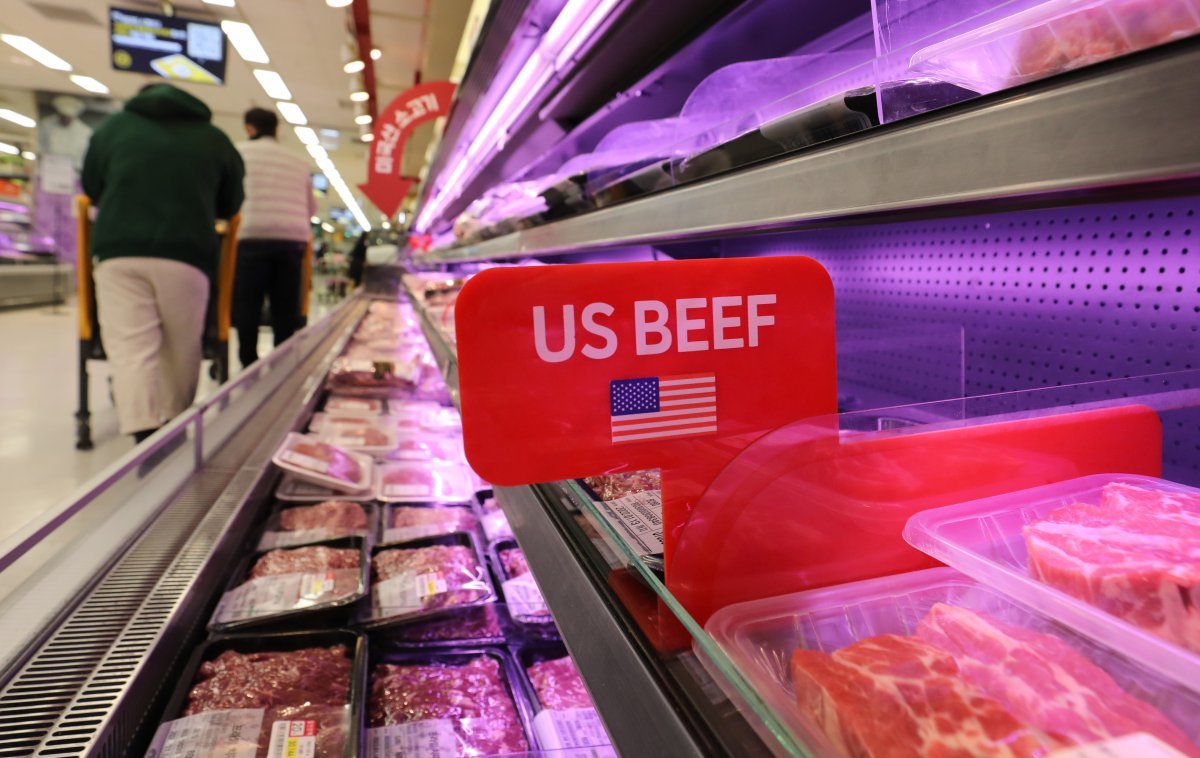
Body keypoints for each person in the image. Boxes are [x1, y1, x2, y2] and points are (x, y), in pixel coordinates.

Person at [82, 82, 244, 443]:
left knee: (131, 349)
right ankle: (175, 429)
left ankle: (143, 436)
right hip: (187, 254)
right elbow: (231, 204)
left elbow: (92, 186)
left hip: (119, 251)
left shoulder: (113, 129)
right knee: (181, 348)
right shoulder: (214, 139)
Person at [233, 107, 316, 367]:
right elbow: (311, 208)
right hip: (292, 240)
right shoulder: (299, 161)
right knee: (285, 308)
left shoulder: (239, 152)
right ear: (276, 129)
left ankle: (248, 362)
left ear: (249, 128)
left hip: (251, 235)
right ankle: (282, 363)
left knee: (249, 305)